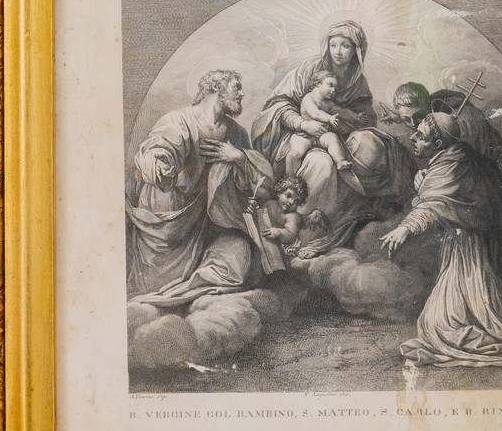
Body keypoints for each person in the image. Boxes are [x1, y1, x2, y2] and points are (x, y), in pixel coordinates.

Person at [380, 112, 502, 366]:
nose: (413, 138)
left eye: (421, 136)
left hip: (468, 250)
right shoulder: (456, 157)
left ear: (439, 144)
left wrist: (405, 228)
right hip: (462, 245)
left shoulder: (452, 165)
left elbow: (434, 207)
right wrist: (424, 186)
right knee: (446, 318)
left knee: (440, 325)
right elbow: (439, 198)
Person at [251, 21, 415, 255]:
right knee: (322, 164)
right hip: (298, 135)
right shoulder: (309, 70)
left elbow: (362, 118)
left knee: (371, 146)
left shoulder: (358, 81)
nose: (338, 52)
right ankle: (303, 230)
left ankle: (351, 214)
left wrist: (350, 123)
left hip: (335, 137)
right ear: (326, 46)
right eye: (333, 45)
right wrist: (304, 124)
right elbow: (279, 105)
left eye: (346, 46)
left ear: (357, 51)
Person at [126, 69, 273, 307]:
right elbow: (159, 149)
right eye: (236, 87)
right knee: (155, 285)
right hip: (170, 221)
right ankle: (169, 296)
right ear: (216, 88)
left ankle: (194, 288)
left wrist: (239, 158)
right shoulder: (178, 121)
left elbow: (260, 188)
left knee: (241, 256)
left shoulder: (236, 133)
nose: (242, 94)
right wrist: (161, 164)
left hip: (210, 221)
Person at [286, 70, 353, 175]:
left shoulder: (327, 103)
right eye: (330, 85)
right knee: (296, 152)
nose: (333, 90)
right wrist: (329, 118)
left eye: (335, 88)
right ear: (318, 83)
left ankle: (340, 162)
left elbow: (341, 111)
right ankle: (290, 177)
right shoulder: (309, 98)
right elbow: (315, 113)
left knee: (333, 139)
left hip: (321, 134)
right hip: (304, 135)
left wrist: (356, 117)